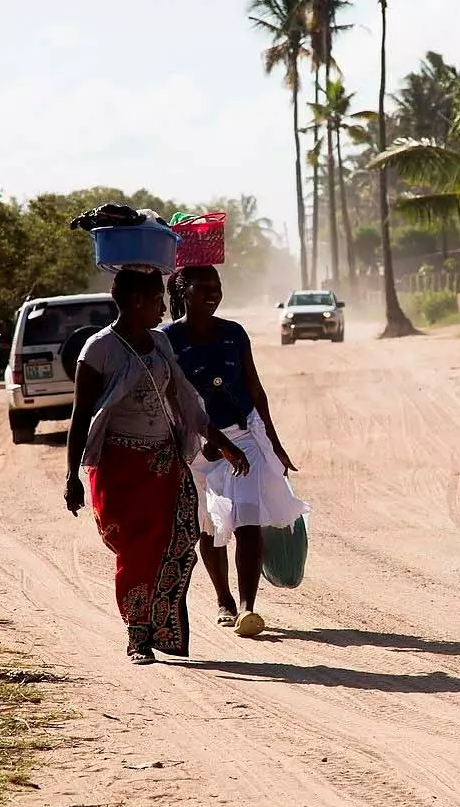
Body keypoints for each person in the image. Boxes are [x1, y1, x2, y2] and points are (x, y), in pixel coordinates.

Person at [65, 268, 249, 665]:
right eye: (156, 301)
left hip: (166, 463)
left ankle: (161, 626)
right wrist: (71, 476)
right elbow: (81, 417)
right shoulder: (98, 351)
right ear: (136, 302)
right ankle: (138, 637)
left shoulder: (161, 343)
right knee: (136, 550)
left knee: (181, 541)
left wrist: (226, 445)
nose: (163, 308)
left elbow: (185, 402)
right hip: (119, 468)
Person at [166, 265, 307, 639]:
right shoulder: (167, 339)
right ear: (183, 291)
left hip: (244, 437)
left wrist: (274, 443)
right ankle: (224, 600)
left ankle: (248, 608)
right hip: (195, 443)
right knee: (209, 526)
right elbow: (175, 402)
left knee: (247, 517)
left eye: (218, 287)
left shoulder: (233, 334)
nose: (213, 293)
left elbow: (255, 391)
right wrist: (209, 444)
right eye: (204, 287)